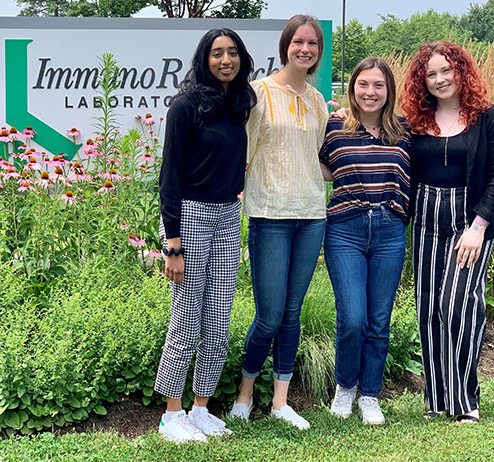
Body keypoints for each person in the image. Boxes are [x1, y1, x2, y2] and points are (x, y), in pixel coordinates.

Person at [400, 41, 494, 424]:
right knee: (430, 309)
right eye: (431, 74)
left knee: (458, 305)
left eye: (446, 70)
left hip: (471, 221)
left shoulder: (491, 118)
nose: (440, 79)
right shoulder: (414, 123)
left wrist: (478, 227)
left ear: (461, 71)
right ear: (422, 81)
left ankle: (465, 399)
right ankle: (437, 399)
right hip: (427, 218)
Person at [155, 28, 257, 443]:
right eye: (217, 53)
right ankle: (171, 414)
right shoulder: (186, 105)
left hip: (228, 215)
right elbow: (169, 177)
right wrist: (172, 244)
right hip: (192, 215)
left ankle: (201, 407)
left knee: (218, 316)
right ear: (204, 58)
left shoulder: (238, 105)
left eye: (232, 53)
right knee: (187, 315)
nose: (226, 60)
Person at [230, 14, 330, 430]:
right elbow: (243, 153)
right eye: (298, 42)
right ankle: (244, 394)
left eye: (312, 44)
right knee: (269, 315)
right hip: (270, 216)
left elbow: (317, 160)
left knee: (293, 312)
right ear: (285, 45)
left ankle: (280, 402)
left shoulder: (319, 101)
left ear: (318, 52)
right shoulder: (259, 94)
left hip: (311, 216)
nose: (305, 49)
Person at [318, 57, 411, 425]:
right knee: (353, 317)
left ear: (388, 91)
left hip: (390, 230)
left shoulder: (405, 130)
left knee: (378, 319)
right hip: (345, 228)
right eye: (363, 85)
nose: (370, 92)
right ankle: (345, 387)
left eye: (378, 86)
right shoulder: (335, 127)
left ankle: (370, 394)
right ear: (353, 88)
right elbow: (318, 163)